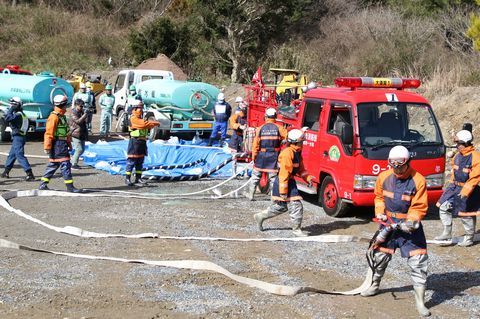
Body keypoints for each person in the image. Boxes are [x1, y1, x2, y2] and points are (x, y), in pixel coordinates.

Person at [361, 145, 430, 317]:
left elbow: (419, 205)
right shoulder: (384, 177)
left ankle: (420, 302)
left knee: (418, 262)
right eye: (393, 166)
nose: (397, 169)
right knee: (379, 256)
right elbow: (378, 197)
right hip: (389, 224)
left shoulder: (418, 180)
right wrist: (379, 212)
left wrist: (412, 221)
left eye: (400, 166)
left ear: (408, 162)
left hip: (409, 228)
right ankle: (374, 285)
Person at [253, 129, 315, 237]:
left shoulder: (296, 152)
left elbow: (301, 170)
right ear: (296, 142)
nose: (303, 143)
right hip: (284, 182)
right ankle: (296, 230)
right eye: (301, 142)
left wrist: (308, 178)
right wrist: (283, 191)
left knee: (281, 206)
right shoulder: (287, 154)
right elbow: (284, 174)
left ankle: (260, 216)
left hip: (288, 182)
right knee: (296, 205)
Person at [435, 130, 479, 247]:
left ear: (464, 143)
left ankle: (469, 238)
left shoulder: (475, 157)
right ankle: (447, 232)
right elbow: (454, 174)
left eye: (458, 143)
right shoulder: (458, 156)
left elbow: (475, 178)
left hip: (468, 190)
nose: (456, 146)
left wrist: (465, 192)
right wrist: (451, 187)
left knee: (466, 214)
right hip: (455, 187)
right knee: (443, 206)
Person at [39, 95, 81, 193]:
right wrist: (47, 147)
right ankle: (70, 187)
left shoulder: (61, 116)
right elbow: (49, 133)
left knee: (53, 164)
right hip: (58, 145)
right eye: (66, 104)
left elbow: (65, 133)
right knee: (65, 164)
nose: (67, 106)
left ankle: (43, 184)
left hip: (61, 144)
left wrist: (69, 145)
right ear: (62, 105)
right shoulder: (54, 117)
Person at [246, 108, 287, 200]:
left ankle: (250, 195)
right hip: (273, 155)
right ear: (275, 116)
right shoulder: (279, 128)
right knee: (273, 178)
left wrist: (254, 156)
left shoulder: (260, 128)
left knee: (256, 176)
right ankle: (274, 197)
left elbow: (255, 144)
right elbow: (287, 138)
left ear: (266, 117)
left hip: (262, 155)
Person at [125, 100, 159, 186]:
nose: (141, 110)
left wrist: (152, 124)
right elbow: (144, 124)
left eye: (141, 108)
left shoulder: (140, 118)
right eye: (139, 108)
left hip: (142, 142)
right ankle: (127, 179)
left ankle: (138, 178)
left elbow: (147, 125)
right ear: (134, 109)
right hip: (134, 142)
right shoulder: (133, 119)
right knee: (131, 161)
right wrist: (155, 122)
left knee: (140, 162)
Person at [1, 97, 35, 181]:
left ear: (15, 105)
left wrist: (11, 110)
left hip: (18, 137)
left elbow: (7, 118)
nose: (10, 105)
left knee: (19, 155)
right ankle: (6, 171)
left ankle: (29, 173)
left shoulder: (17, 115)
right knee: (12, 155)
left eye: (12, 104)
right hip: (20, 137)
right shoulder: (21, 113)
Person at [69, 99, 89, 170]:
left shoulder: (81, 111)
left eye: (82, 106)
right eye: (80, 106)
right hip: (75, 133)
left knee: (82, 150)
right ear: (76, 105)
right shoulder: (73, 112)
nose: (82, 107)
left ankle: (72, 161)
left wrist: (87, 114)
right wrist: (85, 114)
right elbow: (78, 121)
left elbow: (86, 121)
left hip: (81, 133)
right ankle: (73, 164)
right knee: (79, 149)